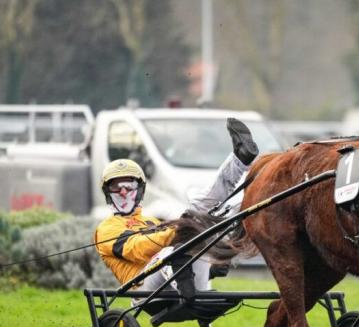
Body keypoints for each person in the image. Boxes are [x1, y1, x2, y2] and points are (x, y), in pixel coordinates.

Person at [94, 118, 259, 301]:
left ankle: (241, 163)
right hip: (143, 291)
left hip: (178, 282)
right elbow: (137, 248)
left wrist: (211, 269)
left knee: (206, 213)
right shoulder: (106, 229)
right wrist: (179, 229)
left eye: (129, 185)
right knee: (179, 241)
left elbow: (181, 246)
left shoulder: (151, 222)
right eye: (117, 187)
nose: (123, 191)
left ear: (139, 190)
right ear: (108, 193)